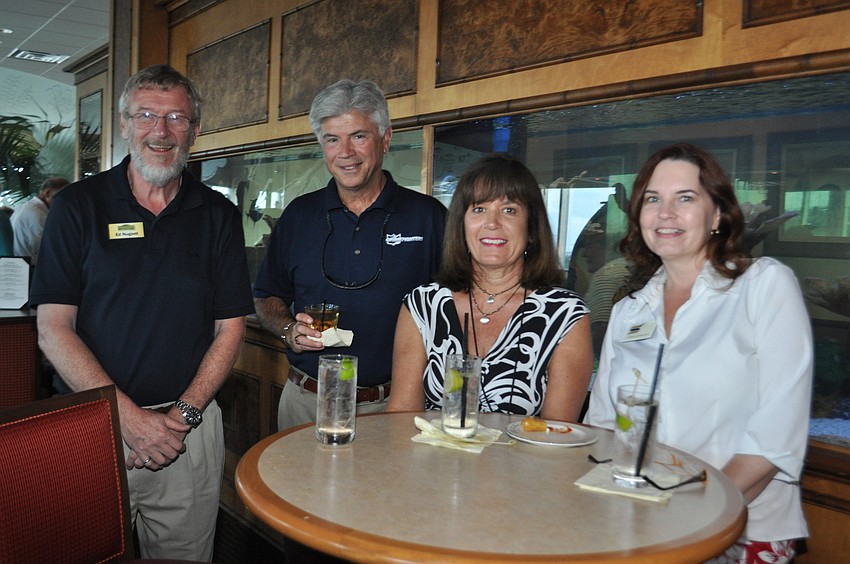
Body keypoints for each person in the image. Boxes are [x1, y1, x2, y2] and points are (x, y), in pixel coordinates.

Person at [29, 64, 254, 561]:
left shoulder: (217, 215)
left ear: (195, 130)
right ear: (125, 124)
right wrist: (129, 418)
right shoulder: (77, 207)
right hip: (92, 425)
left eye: (177, 118)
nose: (162, 131)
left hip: (187, 434)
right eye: (147, 115)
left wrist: (183, 414)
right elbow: (53, 329)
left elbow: (230, 329)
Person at [584, 143, 811, 563]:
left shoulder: (764, 286)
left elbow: (778, 432)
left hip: (744, 529)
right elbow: (603, 427)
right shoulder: (627, 311)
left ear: (718, 215)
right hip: (639, 526)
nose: (665, 213)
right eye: (653, 199)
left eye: (684, 198)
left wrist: (698, 514)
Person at [253, 79, 447, 430]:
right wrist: (287, 330)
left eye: (359, 136)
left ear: (385, 139)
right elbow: (267, 296)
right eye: (332, 139)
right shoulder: (298, 215)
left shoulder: (429, 216)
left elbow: (456, 309)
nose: (345, 152)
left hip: (395, 406)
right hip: (305, 404)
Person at [387, 153, 593, 420]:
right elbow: (400, 421)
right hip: (432, 462)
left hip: (527, 462)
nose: (492, 223)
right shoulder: (422, 306)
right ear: (461, 225)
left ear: (531, 228)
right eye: (479, 209)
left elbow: (555, 437)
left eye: (509, 210)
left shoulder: (565, 314)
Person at [10, 176, 68, 264]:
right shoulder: (39, 215)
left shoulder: (27, 207)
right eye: (63, 198)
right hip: (29, 269)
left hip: (20, 266)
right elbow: (48, 250)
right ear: (47, 193)